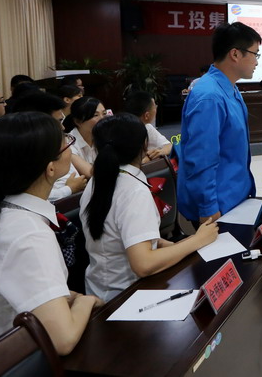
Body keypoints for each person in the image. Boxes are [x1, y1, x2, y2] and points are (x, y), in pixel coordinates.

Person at [0, 112, 103, 365]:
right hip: (2, 365)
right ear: (50, 168)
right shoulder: (26, 233)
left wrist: (69, 297)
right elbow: (63, 340)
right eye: (66, 144)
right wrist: (86, 300)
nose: (70, 148)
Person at [79, 114, 218, 301]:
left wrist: (171, 245)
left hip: (101, 290)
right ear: (144, 145)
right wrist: (198, 240)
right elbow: (143, 264)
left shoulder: (97, 181)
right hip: (128, 295)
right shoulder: (133, 190)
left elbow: (119, 235)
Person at [0, 92, 88, 230]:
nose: (63, 127)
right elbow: (25, 196)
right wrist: (68, 189)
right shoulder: (5, 153)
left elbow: (68, 180)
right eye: (58, 121)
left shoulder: (50, 147)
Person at [178, 22, 260, 224]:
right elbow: (201, 158)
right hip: (217, 205)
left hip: (234, 195)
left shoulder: (230, 88)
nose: (257, 61)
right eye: (255, 54)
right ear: (235, 54)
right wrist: (208, 208)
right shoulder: (209, 96)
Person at [63, 96, 108, 177]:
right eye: (95, 115)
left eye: (104, 114)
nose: (103, 119)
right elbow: (93, 174)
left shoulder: (104, 136)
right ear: (78, 121)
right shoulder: (68, 143)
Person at [123, 91, 172, 161]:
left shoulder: (147, 127)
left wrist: (160, 152)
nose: (156, 108)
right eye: (154, 106)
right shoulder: (123, 132)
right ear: (147, 115)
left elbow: (169, 146)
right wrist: (146, 159)